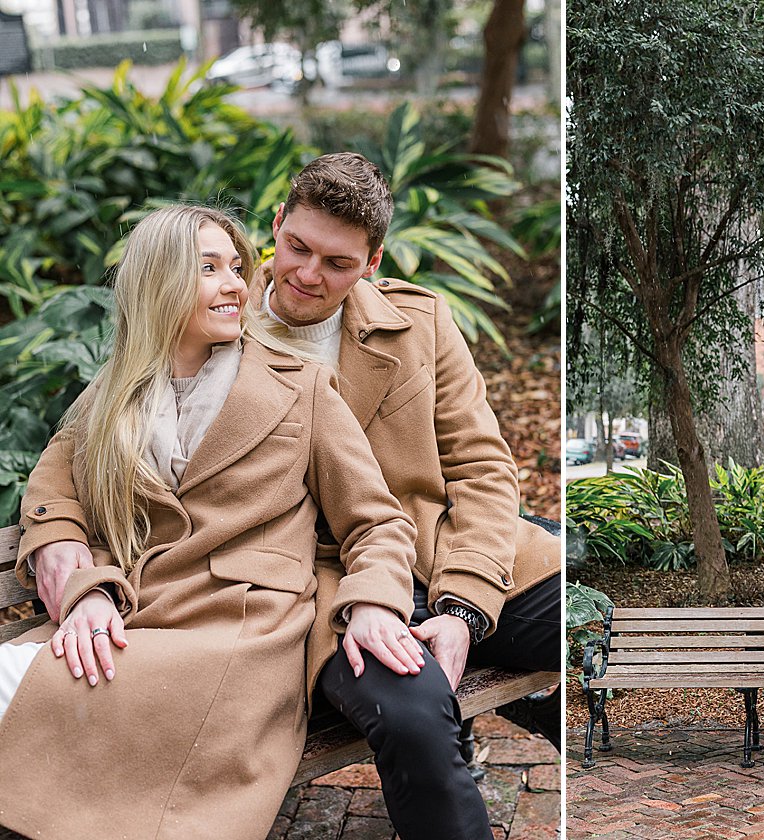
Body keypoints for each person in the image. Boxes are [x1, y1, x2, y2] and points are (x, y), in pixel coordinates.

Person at [31, 153, 562, 840]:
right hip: (316, 581)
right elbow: (75, 444)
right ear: (277, 225)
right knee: (409, 705)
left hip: (440, 552)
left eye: (338, 263)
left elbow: (484, 472)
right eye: (296, 247)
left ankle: (546, 713)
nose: (309, 275)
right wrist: (58, 534)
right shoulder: (212, 310)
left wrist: (464, 609)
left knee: (582, 624)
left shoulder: (419, 325)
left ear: (373, 261)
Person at [0, 206, 420, 840]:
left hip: (240, 636)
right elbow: (55, 492)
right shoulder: (112, 395)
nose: (235, 284)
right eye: (208, 268)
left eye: (236, 266)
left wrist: (376, 602)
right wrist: (81, 579)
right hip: (139, 617)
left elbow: (378, 522)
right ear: (158, 283)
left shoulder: (300, 386)